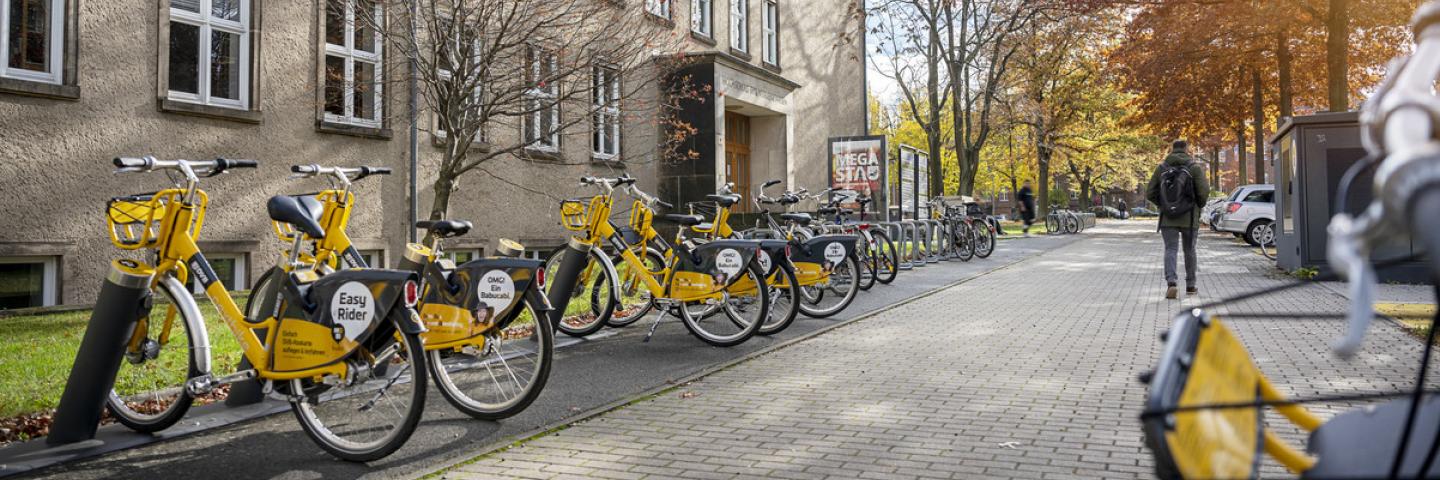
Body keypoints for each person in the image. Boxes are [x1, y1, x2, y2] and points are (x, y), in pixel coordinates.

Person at [1145, 140, 1209, 299]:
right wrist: (1197, 206)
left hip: (1168, 218)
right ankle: (1191, 286)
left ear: (1172, 150)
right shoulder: (1194, 168)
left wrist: (1164, 204)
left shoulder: (1161, 168)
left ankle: (1171, 283)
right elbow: (1203, 192)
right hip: (1190, 218)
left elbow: (1150, 192)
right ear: (1187, 149)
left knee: (1170, 249)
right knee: (1190, 250)